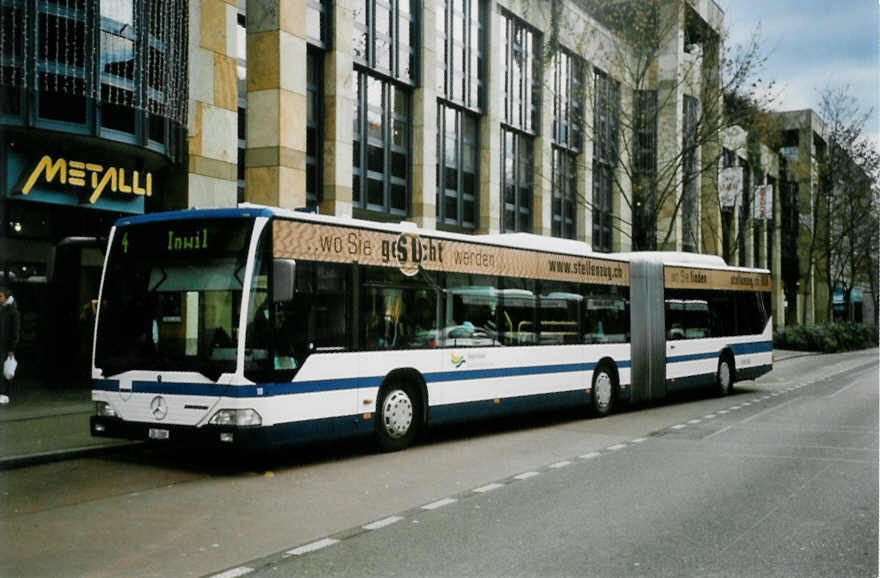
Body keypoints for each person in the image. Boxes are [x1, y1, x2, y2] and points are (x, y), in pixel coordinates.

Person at [0, 285, 21, 405]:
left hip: (6, 346)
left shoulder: (12, 311)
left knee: (5, 370)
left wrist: (12, 347)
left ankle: (4, 393)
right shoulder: (3, 309)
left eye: (1, 296)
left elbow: (15, 331)